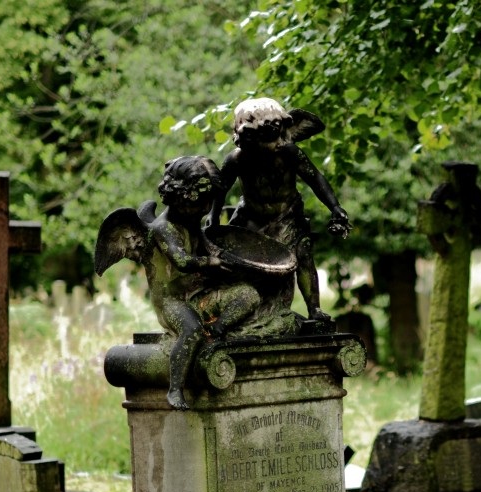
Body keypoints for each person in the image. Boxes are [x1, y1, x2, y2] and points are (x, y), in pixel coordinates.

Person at [208, 97, 350, 322]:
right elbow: (220, 190)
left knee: (303, 254)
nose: (273, 143)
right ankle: (240, 309)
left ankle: (314, 308)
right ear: (247, 135)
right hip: (252, 217)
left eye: (276, 134)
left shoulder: (289, 153)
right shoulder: (237, 159)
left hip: (288, 215)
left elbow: (315, 179)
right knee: (238, 262)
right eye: (264, 136)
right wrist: (213, 218)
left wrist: (335, 207)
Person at [142, 156, 261, 409]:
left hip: (199, 294)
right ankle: (175, 388)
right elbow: (182, 261)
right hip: (171, 303)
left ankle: (217, 331)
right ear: (181, 196)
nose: (206, 208)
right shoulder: (162, 228)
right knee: (192, 330)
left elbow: (207, 245)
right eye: (202, 201)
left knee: (249, 295)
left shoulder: (190, 222)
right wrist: (210, 262)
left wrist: (225, 258)